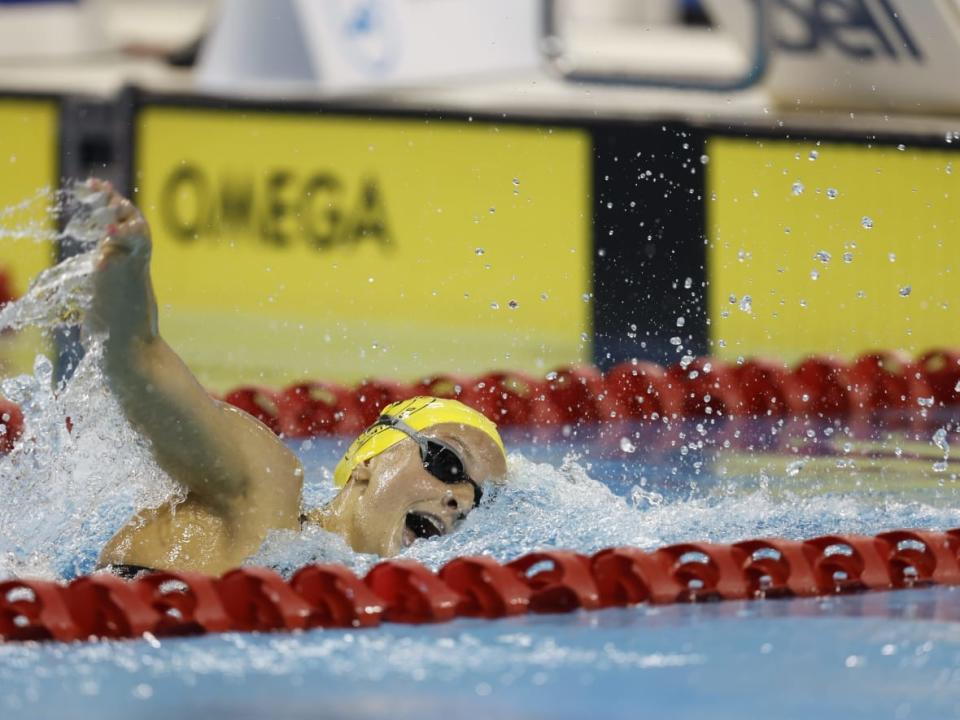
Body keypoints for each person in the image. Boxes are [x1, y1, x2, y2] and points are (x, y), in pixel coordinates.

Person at [82, 179, 508, 577]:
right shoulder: (266, 492)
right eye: (446, 462)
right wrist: (130, 266)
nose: (462, 500)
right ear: (368, 463)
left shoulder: (349, 595)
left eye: (478, 498)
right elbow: (137, 362)